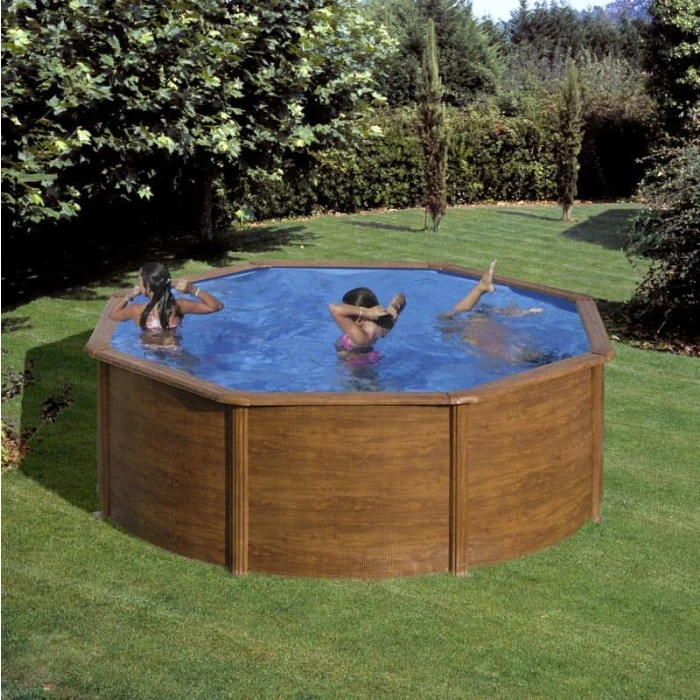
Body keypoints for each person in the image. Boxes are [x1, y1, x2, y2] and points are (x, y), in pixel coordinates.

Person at [439, 260, 546, 364]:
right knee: (451, 320)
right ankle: (481, 288)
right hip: (481, 325)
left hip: (477, 327)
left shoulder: (494, 354)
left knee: (446, 321)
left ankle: (481, 288)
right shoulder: (500, 352)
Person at [109, 262, 223, 329]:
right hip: (175, 352)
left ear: (148, 287)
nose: (137, 284)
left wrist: (128, 296)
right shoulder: (179, 306)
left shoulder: (135, 310)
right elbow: (216, 306)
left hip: (148, 356)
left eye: (139, 280)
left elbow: (113, 315)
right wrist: (193, 289)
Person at [329, 287, 406, 365]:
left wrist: (366, 312)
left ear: (359, 319)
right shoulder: (383, 325)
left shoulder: (360, 337)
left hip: (353, 364)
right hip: (367, 358)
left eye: (347, 314)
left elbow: (333, 308)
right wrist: (394, 306)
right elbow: (401, 297)